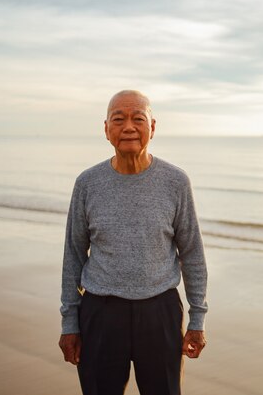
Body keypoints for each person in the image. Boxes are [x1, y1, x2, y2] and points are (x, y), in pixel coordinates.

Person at [58, 90, 208, 395]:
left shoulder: (176, 182)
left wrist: (198, 317)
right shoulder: (87, 183)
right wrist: (69, 322)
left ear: (152, 127)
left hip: (160, 312)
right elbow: (73, 255)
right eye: (119, 119)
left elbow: (192, 252)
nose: (128, 127)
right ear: (106, 129)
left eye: (138, 118)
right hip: (100, 313)